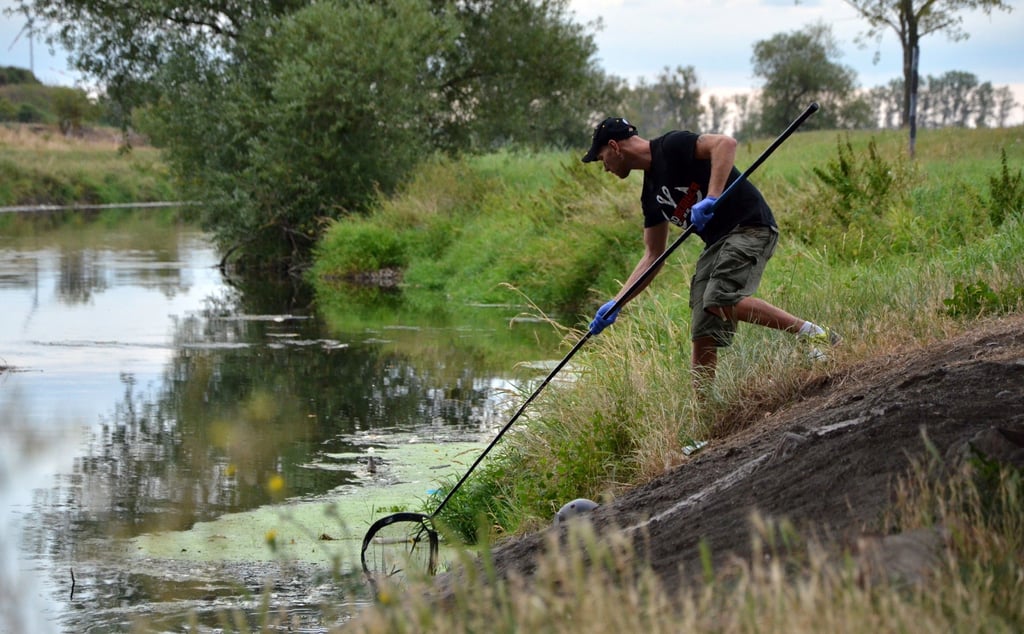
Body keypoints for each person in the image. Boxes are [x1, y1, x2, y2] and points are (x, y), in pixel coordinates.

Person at [582, 117, 839, 390]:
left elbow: (724, 144)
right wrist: (618, 302)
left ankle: (814, 334)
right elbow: (653, 254)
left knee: (719, 298)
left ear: (614, 146)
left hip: (749, 226)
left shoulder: (670, 146)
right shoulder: (650, 196)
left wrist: (713, 197)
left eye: (601, 158)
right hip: (717, 244)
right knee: (703, 325)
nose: (605, 168)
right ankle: (705, 419)